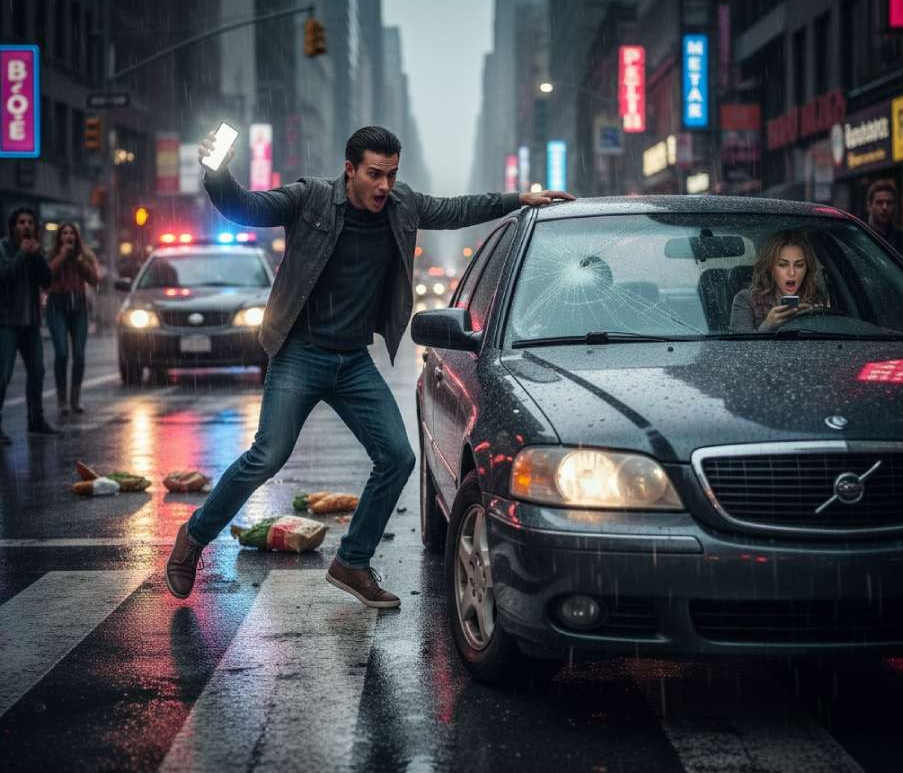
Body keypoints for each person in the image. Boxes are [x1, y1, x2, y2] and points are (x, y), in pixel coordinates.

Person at [166, 125, 574, 606]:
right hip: (300, 352)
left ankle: (352, 562)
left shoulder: (402, 206)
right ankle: (193, 538)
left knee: (398, 457)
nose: (384, 186)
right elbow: (245, 207)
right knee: (268, 455)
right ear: (350, 170)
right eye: (375, 174)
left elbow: (458, 208)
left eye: (392, 174)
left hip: (352, 361)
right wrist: (216, 169)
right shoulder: (311, 199)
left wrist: (521, 198)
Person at [0, 208, 60, 443]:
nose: (26, 226)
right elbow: (5, 277)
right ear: (13, 226)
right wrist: (22, 255)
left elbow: (47, 280)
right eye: (22, 222)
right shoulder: (3, 248)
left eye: (30, 222)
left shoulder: (35, 250)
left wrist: (36, 256)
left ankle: (36, 419)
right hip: (6, 321)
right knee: (3, 374)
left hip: (31, 322)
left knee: (37, 371)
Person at [46, 223, 99, 416]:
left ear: (77, 237)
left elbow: (94, 279)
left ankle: (75, 399)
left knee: (79, 355)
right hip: (56, 308)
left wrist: (78, 260)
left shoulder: (85, 256)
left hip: (78, 309)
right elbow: (47, 276)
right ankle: (62, 401)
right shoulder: (51, 254)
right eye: (65, 233)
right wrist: (62, 255)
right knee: (61, 353)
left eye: (72, 233)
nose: (68, 236)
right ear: (59, 237)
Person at [729, 230, 827, 332]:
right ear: (770, 268)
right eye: (782, 264)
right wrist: (767, 325)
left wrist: (819, 318)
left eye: (799, 265)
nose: (792, 273)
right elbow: (740, 346)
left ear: (807, 269)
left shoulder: (817, 299)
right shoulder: (746, 300)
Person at [864, 179, 903, 267]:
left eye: (889, 202)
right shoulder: (862, 236)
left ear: (895, 205)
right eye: (879, 202)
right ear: (869, 206)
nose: (885, 207)